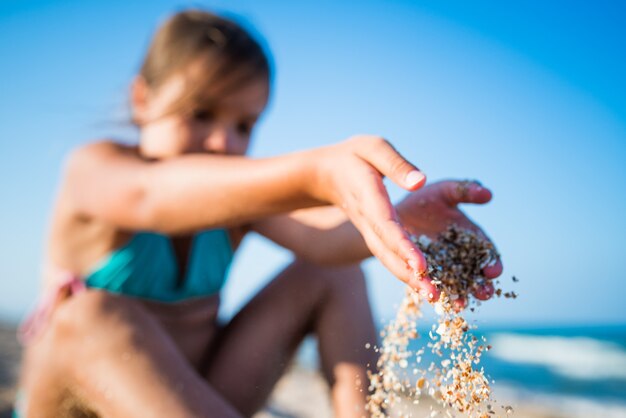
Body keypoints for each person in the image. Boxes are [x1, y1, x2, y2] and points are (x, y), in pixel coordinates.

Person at [16, 9, 502, 418]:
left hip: (201, 400)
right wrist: (315, 172)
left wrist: (402, 220)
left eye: (244, 125)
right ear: (142, 100)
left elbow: (327, 240)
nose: (222, 141)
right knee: (89, 314)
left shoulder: (236, 205)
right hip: (74, 406)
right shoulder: (95, 169)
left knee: (334, 272)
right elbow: (150, 198)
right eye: (200, 113)